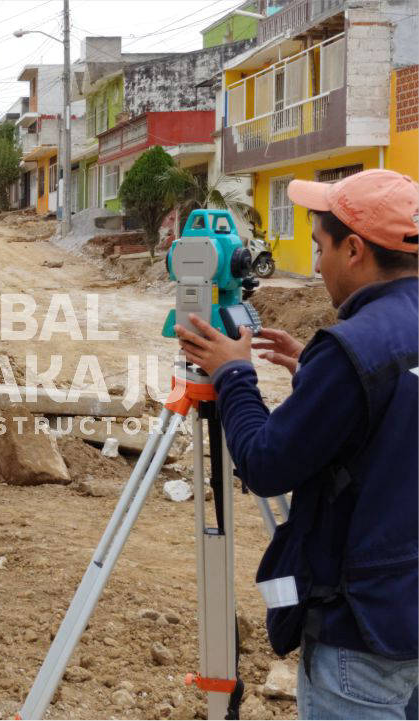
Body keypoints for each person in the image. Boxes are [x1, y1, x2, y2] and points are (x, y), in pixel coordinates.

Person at [175, 169, 418, 720]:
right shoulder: (360, 351)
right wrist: (320, 368)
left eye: (320, 247)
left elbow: (264, 464)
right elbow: (397, 402)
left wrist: (235, 376)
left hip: (363, 632)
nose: (315, 265)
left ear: (354, 249)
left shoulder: (351, 350)